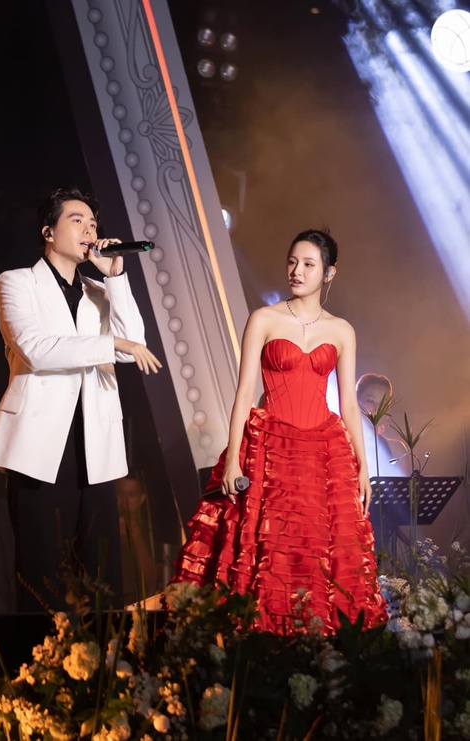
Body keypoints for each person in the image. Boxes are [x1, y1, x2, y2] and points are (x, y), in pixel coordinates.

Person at [170, 229, 386, 634]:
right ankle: (260, 637)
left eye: (308, 264)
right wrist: (232, 460)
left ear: (329, 273)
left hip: (322, 450)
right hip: (269, 447)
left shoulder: (342, 330)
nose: (296, 271)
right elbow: (243, 394)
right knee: (265, 548)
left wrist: (362, 466)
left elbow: (349, 405)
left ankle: (316, 642)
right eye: (292, 262)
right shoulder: (264, 319)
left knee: (319, 548)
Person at [0, 186, 161, 611]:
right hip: (40, 446)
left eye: (93, 224)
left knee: (101, 575)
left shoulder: (100, 291)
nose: (89, 230)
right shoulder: (16, 282)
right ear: (48, 231)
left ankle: (100, 655)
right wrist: (113, 343)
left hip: (95, 444)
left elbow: (134, 345)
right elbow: (36, 350)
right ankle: (37, 655)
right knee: (41, 576)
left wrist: (116, 278)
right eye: (77, 221)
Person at [357, 373, 404, 477]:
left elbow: (406, 486)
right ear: (356, 403)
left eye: (384, 402)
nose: (378, 408)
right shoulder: (340, 445)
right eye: (370, 401)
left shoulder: (396, 449)